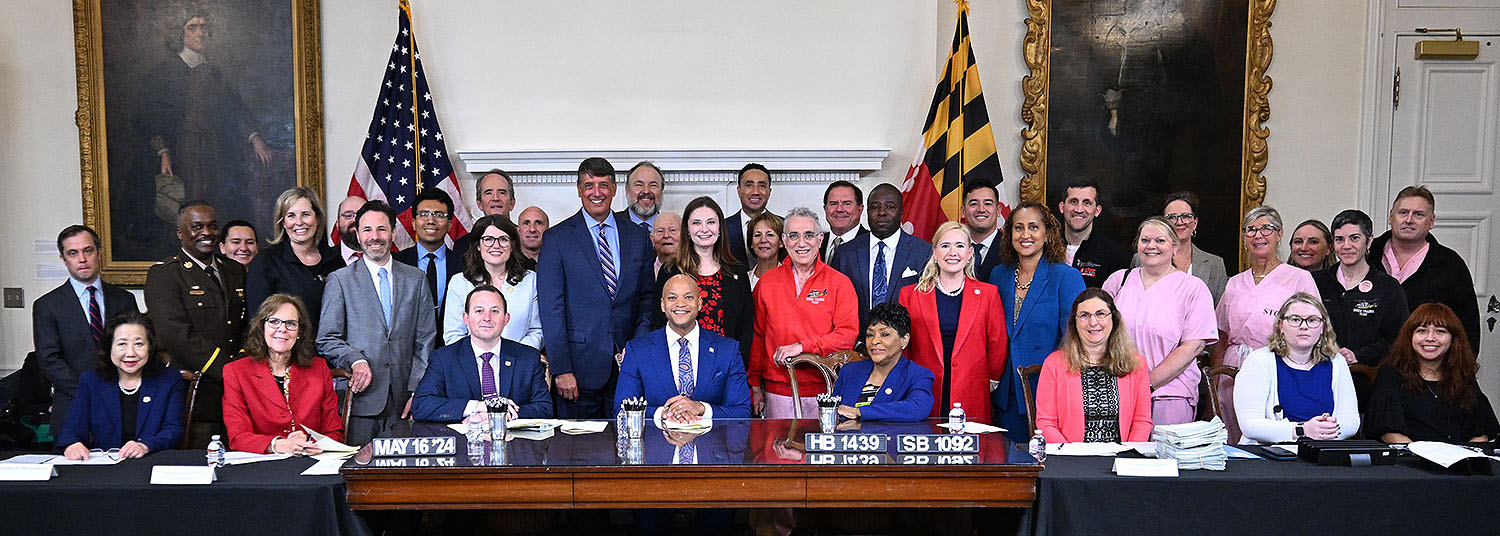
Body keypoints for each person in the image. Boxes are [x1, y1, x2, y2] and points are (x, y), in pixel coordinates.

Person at [537, 157, 654, 419]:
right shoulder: (557, 239)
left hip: (629, 366)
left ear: (614, 189)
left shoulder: (637, 237)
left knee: (629, 447)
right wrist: (561, 368)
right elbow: (551, 308)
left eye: (603, 185)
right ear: (579, 190)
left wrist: (636, 347)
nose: (597, 192)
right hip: (577, 372)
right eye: (589, 185)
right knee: (579, 452)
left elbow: (647, 299)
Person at [316, 200, 437, 445]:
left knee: (405, 479)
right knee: (358, 477)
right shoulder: (340, 280)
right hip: (361, 401)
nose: (375, 237)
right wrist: (356, 359)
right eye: (367, 230)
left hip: (405, 402)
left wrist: (417, 390)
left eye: (381, 229)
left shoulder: (416, 279)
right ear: (358, 235)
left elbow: (425, 340)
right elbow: (327, 338)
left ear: (394, 232)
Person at [144, 201, 246, 448]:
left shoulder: (234, 270)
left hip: (240, 393)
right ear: (181, 233)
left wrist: (243, 366)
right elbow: (174, 336)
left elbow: (247, 324)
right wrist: (228, 371)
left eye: (212, 226)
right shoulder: (165, 275)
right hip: (197, 395)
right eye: (197, 227)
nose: (207, 233)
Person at [1214, 205, 1319, 442]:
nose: (1258, 235)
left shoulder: (1299, 278)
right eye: (1250, 230)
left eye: (1266, 228)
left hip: (1279, 369)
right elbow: (1221, 335)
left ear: (1279, 234)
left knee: (1274, 436)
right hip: (1234, 372)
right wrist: (1216, 378)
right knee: (1233, 438)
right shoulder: (1235, 283)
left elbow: (1314, 332)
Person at [1102, 218, 1218, 425]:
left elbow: (1193, 347)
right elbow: (1099, 332)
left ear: (1174, 247)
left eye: (1160, 241)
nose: (1151, 246)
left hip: (1170, 394)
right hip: (1118, 391)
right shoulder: (1119, 281)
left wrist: (1146, 385)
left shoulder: (1193, 288)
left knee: (1163, 456)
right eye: (1145, 240)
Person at [750, 207, 859, 418]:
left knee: (819, 451)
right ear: (784, 240)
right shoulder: (767, 283)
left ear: (820, 239)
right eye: (794, 236)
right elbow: (757, 337)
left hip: (826, 390)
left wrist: (802, 347)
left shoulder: (840, 283)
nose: (801, 243)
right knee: (777, 450)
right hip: (777, 390)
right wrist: (754, 385)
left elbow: (847, 336)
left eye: (809, 235)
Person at [990, 202, 1085, 436]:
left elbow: (1073, 338)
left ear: (1047, 233)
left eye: (1033, 227)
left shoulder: (1066, 277)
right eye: (1018, 228)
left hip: (1047, 390)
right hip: (1004, 393)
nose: (1025, 235)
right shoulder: (998, 275)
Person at [34, 225, 140, 435]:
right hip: (73, 408)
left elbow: (138, 348)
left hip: (122, 406)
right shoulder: (47, 305)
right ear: (63, 259)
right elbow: (49, 360)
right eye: (73, 253)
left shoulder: (124, 299)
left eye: (88, 250)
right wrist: (89, 392)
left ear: (99, 253)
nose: (81, 259)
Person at [898, 222, 1008, 423]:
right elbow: (903, 347)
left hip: (972, 391)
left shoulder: (988, 294)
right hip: (924, 391)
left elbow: (997, 342)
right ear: (934, 252)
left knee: (971, 453)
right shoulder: (910, 295)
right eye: (945, 245)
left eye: (959, 245)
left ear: (969, 253)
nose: (952, 252)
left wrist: (990, 379)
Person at [615, 274, 752, 422]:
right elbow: (622, 410)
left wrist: (702, 408)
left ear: (699, 303)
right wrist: (664, 414)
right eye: (672, 298)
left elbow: (741, 411)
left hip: (710, 443)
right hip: (657, 443)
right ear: (662, 305)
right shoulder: (637, 350)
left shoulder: (727, 350)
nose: (680, 304)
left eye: (688, 297)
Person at [222, 294, 343, 453]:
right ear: (261, 327)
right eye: (274, 322)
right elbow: (238, 436)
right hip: (262, 466)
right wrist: (279, 445)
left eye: (291, 324)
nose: (282, 329)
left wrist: (314, 445)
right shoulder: (236, 372)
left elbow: (334, 432)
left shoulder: (319, 369)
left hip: (310, 461)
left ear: (299, 332)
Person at [1233, 293, 1359, 445]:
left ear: (1323, 327)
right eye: (1295, 319)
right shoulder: (1258, 361)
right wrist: (1302, 430)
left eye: (1312, 320)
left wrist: (1326, 431)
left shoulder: (1337, 362)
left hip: (1322, 451)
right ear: (1280, 326)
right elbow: (1250, 425)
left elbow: (1351, 421)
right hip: (1269, 455)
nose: (1304, 326)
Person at [1367, 185, 1481, 351]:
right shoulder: (1367, 255)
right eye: (1403, 213)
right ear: (1391, 216)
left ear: (1432, 221)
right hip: (1368, 364)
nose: (1409, 220)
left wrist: (1461, 371)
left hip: (1428, 365)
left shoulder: (1449, 264)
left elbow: (1467, 327)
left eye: (1418, 214)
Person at [57, 312, 184, 460]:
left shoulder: (169, 379)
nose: (130, 353)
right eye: (122, 344)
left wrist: (145, 446)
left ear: (150, 348)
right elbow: (72, 426)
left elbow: (174, 430)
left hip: (151, 463)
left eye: (139, 344)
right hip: (104, 469)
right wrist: (71, 444)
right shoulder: (91, 380)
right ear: (109, 347)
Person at [415, 285, 553, 422]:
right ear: (466, 318)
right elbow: (421, 405)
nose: (487, 318)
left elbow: (544, 408)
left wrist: (500, 413)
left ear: (506, 319)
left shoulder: (527, 357)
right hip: (464, 440)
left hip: (513, 440)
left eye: (495, 311)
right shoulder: (444, 358)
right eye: (479, 311)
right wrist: (477, 407)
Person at [1367, 303, 1499, 443]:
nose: (1430, 338)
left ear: (1453, 339)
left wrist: (1470, 459)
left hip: (1460, 459)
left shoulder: (1462, 374)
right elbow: (1390, 433)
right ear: (1410, 337)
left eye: (1440, 331)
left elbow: (1480, 432)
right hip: (1411, 459)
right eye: (1422, 331)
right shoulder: (1391, 374)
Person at [1035, 289, 1153, 443]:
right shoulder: (1054, 364)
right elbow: (1046, 422)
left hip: (1121, 460)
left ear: (1114, 319)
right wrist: (1071, 455)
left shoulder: (1136, 364)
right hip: (1071, 460)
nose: (1093, 322)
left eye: (1100, 314)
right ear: (1074, 323)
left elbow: (1142, 421)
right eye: (1084, 315)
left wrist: (1127, 455)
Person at [651, 197, 755, 365]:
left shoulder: (737, 272)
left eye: (711, 222)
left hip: (725, 365)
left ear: (720, 227)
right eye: (697, 223)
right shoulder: (670, 271)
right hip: (680, 365)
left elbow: (746, 328)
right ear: (688, 230)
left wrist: (737, 365)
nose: (704, 229)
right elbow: (659, 322)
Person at [1313, 210, 1409, 369]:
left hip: (1369, 377)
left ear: (1369, 241)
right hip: (1320, 372)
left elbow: (1397, 338)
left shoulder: (1388, 288)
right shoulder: (1317, 282)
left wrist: (1357, 356)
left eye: (1354, 238)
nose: (1346, 246)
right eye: (1339, 239)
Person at [830, 183, 932, 331]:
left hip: (907, 345)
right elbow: (834, 305)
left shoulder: (924, 252)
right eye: (875, 207)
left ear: (902, 213)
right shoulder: (845, 253)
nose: (881, 212)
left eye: (890, 207)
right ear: (866, 212)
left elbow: (928, 307)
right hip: (857, 347)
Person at [245, 187, 343, 328]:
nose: (299, 222)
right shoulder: (266, 262)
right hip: (287, 347)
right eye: (291, 216)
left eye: (306, 214)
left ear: (318, 218)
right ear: (283, 222)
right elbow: (259, 320)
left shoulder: (335, 261)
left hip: (331, 348)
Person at [441, 215, 543, 349]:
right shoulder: (459, 282)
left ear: (512, 246)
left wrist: (514, 357)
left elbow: (537, 331)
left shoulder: (530, 281)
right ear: (478, 245)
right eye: (488, 239)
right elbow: (453, 335)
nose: (496, 245)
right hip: (471, 365)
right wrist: (484, 357)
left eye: (503, 239)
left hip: (519, 362)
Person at [831, 303, 934, 422]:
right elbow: (834, 413)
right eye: (870, 335)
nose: (874, 341)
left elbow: (918, 409)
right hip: (847, 439)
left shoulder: (918, 375)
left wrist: (860, 412)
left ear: (904, 340)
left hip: (891, 440)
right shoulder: (849, 371)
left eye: (884, 334)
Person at [395, 188, 465, 342]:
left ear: (450, 224)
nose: (431, 220)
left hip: (450, 350)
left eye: (439, 215)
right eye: (424, 214)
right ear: (414, 223)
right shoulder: (396, 263)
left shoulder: (465, 265)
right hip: (407, 351)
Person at [1149, 191, 1228, 304]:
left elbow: (1220, 314)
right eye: (1172, 217)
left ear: (1195, 223)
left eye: (1186, 216)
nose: (1179, 222)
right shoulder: (1143, 259)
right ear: (1163, 224)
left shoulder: (1215, 265)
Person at [1059, 180, 1131, 288]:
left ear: (1097, 210)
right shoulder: (1044, 249)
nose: (1079, 209)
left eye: (1087, 203)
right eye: (1073, 201)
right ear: (1062, 207)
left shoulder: (1115, 256)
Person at [451, 170, 517, 255]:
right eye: (488, 193)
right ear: (480, 204)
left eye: (502, 192)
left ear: (512, 203)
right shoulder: (464, 245)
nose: (495, 198)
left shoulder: (524, 239)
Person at [725, 163, 776, 264]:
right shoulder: (723, 227)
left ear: (769, 192)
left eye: (762, 186)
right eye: (749, 185)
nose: (755, 192)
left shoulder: (783, 226)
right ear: (739, 191)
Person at [962, 182, 1004, 283]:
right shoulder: (951, 248)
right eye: (974, 204)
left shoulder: (1012, 249)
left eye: (988, 204)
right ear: (963, 211)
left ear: (998, 211)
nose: (981, 209)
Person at [821, 180, 866, 262]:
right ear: (825, 209)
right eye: (833, 203)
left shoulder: (871, 243)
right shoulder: (815, 243)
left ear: (860, 209)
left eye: (847, 204)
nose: (839, 209)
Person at [617, 161, 665, 231]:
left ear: (661, 190)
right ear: (627, 190)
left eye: (653, 185)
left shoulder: (675, 228)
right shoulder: (613, 225)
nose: (646, 191)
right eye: (639, 185)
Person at [747, 212, 787, 290]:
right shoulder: (743, 280)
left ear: (781, 242)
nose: (763, 240)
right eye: (757, 235)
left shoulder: (792, 279)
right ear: (751, 243)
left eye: (770, 235)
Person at [334, 195, 366, 265]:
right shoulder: (324, 260)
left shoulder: (388, 258)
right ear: (337, 224)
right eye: (348, 215)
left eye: (361, 215)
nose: (354, 220)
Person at [649, 212, 682, 279]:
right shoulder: (645, 267)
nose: (666, 235)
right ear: (652, 238)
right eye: (660, 231)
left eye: (672, 230)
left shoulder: (694, 267)